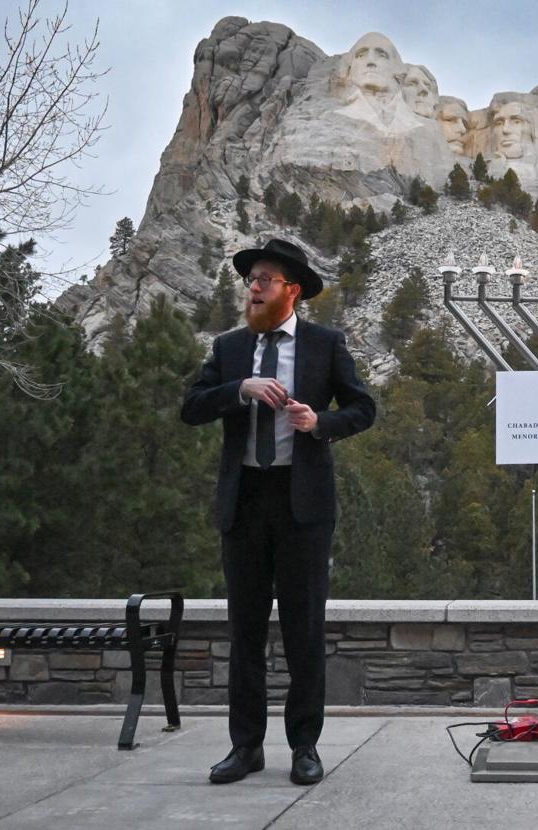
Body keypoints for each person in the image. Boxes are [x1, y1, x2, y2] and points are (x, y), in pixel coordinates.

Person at [181, 239, 376, 786]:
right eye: (251, 279)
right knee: (244, 632)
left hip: (302, 505)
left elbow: (364, 407)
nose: (255, 286)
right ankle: (245, 748)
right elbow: (190, 407)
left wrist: (322, 423)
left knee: (303, 632)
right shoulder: (228, 348)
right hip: (244, 504)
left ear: (292, 290)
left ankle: (304, 747)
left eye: (265, 278)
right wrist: (237, 389)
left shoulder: (324, 344)